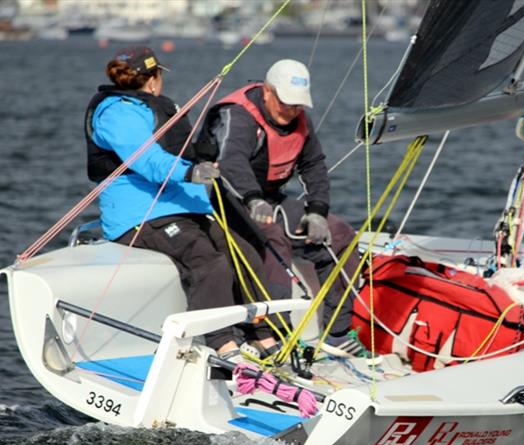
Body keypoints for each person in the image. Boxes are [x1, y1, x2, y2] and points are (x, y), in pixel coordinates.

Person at [85, 46, 278, 357]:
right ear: (152, 80)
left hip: (182, 207)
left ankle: (263, 336)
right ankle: (218, 343)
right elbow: (147, 159)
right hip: (141, 215)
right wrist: (191, 172)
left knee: (244, 253)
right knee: (208, 261)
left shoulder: (155, 106)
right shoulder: (117, 113)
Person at [198, 59, 361, 346]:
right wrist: (253, 200)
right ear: (268, 92)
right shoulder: (238, 115)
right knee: (272, 238)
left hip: (270, 198)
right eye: (286, 103)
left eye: (298, 105)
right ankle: (277, 335)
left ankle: (338, 334)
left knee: (341, 235)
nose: (292, 110)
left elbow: (314, 165)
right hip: (226, 200)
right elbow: (231, 161)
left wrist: (317, 212)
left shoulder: (299, 119)